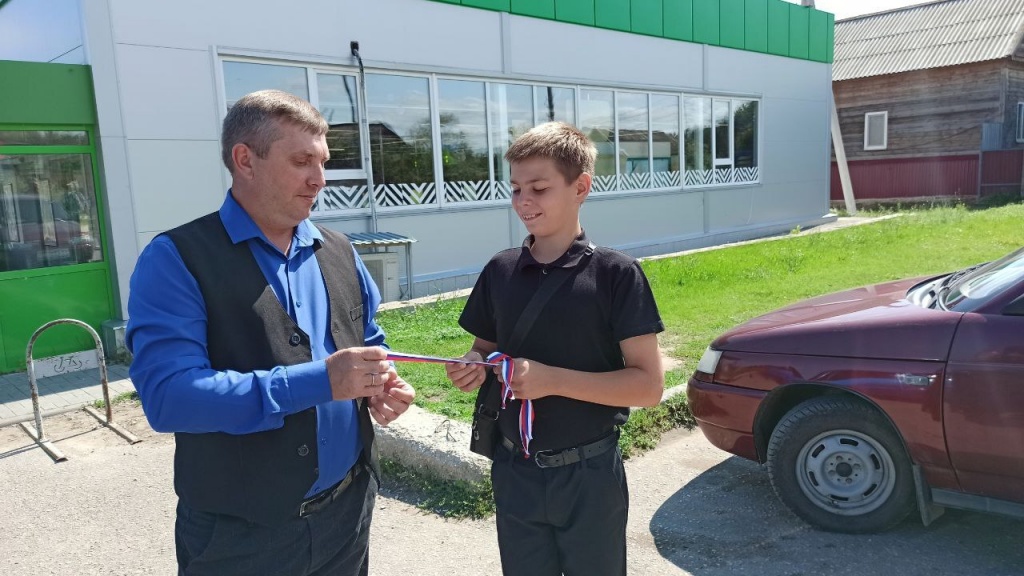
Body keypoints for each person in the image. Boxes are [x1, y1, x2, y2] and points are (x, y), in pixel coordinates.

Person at [126, 89, 415, 576]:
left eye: (322, 162)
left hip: (348, 513)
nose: (319, 179)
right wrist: (321, 381)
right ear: (245, 160)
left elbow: (368, 338)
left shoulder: (339, 249)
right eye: (301, 162)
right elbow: (169, 397)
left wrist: (380, 382)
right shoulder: (176, 259)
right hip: (241, 536)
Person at [444, 122, 665, 575]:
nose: (523, 201)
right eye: (516, 188)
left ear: (580, 187)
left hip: (590, 475)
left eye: (539, 188)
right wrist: (472, 365)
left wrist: (552, 381)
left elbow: (648, 387)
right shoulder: (500, 270)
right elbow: (483, 348)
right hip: (514, 470)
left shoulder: (616, 275)